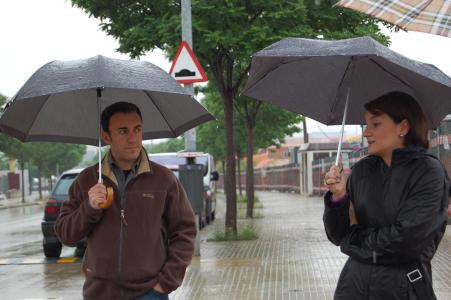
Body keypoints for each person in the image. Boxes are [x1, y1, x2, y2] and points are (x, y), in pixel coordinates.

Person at [55, 102, 196, 300]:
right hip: (99, 294)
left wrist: (165, 283)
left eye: (137, 129)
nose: (133, 138)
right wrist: (89, 207)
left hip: (150, 293)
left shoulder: (163, 179)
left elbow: (185, 231)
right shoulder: (87, 180)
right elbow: (66, 234)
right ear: (106, 136)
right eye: (123, 131)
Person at [323, 92, 449, 300]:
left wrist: (354, 238)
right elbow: (337, 234)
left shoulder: (428, 172)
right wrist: (338, 197)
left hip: (403, 289)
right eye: (366, 125)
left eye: (376, 124)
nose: (366, 133)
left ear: (403, 127)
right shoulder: (361, 171)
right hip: (353, 287)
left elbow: (404, 242)